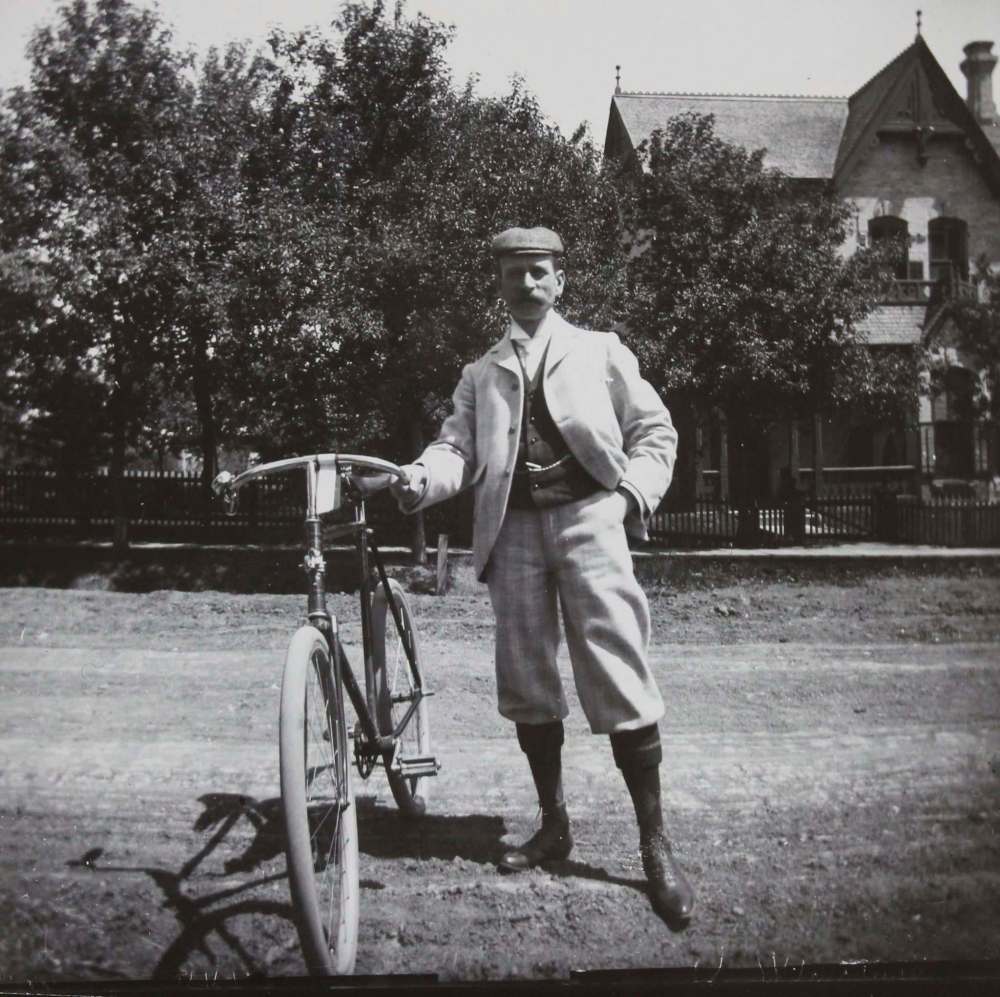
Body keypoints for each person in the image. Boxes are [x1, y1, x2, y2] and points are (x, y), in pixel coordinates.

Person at [391, 226, 694, 925]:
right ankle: (553, 823)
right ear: (497, 283)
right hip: (515, 534)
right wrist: (419, 480)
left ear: (560, 280)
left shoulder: (599, 351)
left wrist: (627, 500)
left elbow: (657, 432)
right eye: (512, 273)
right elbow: (455, 450)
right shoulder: (481, 372)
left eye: (538, 272)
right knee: (528, 681)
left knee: (618, 673)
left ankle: (655, 844)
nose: (526, 284)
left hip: (592, 518)